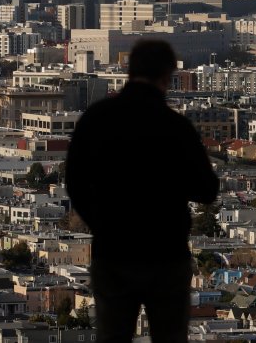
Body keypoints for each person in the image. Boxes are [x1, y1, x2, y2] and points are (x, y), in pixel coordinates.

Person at [66, 39, 219, 343]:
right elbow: (206, 190)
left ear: (128, 70)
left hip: (113, 250)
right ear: (168, 76)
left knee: (112, 336)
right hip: (166, 251)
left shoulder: (96, 119)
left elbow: (75, 183)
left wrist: (102, 224)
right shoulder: (175, 127)